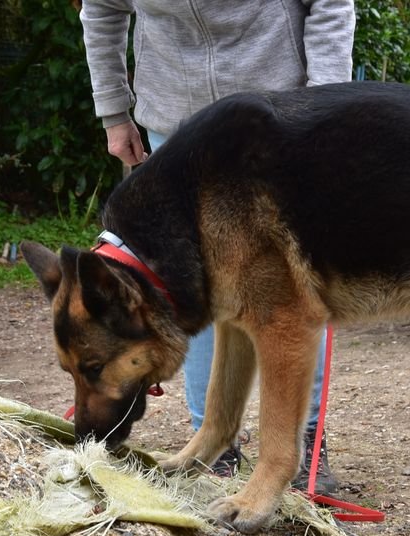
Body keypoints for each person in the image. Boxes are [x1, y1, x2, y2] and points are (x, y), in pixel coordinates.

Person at [80, 0, 356, 495]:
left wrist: (324, 111)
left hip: (278, 122)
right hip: (177, 124)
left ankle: (304, 440)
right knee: (185, 290)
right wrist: (114, 113)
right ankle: (213, 445)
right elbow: (101, 8)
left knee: (288, 295)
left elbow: (331, 5)